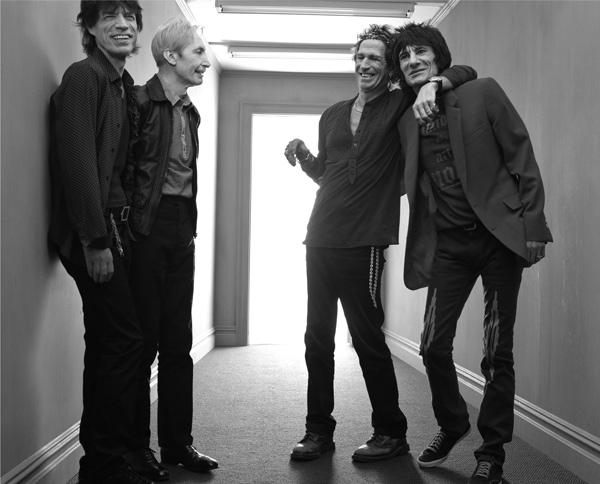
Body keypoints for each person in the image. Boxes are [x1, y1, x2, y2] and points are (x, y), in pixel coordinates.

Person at [283, 24, 477, 463]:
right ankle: (318, 431)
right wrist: (305, 156)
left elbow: (464, 72)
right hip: (320, 237)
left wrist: (436, 83)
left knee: (367, 337)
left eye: (375, 58)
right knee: (317, 339)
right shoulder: (332, 114)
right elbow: (328, 173)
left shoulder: (399, 103)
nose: (365, 64)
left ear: (389, 68)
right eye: (360, 57)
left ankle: (390, 432)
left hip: (365, 241)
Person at [393, 23, 553, 484]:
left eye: (420, 52)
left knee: (496, 351)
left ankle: (492, 455)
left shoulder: (481, 93)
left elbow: (522, 156)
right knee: (431, 345)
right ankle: (453, 423)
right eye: (403, 57)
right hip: (449, 245)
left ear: (438, 57)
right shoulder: (406, 119)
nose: (412, 61)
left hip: (499, 238)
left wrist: (534, 226)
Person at [48, 2, 154, 483]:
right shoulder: (84, 77)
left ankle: (103, 460)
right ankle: (104, 463)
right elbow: (76, 161)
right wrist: (94, 240)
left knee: (109, 342)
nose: (122, 25)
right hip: (94, 232)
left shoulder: (122, 85)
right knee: (126, 342)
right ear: (90, 27)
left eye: (129, 17)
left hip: (117, 231)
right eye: (109, 16)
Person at [124, 18, 218, 481]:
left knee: (179, 344)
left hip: (183, 228)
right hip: (146, 229)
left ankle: (178, 444)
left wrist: (188, 231)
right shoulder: (139, 101)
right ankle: (135, 450)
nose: (205, 61)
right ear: (171, 57)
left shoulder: (190, 111)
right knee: (142, 345)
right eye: (198, 52)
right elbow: (123, 172)